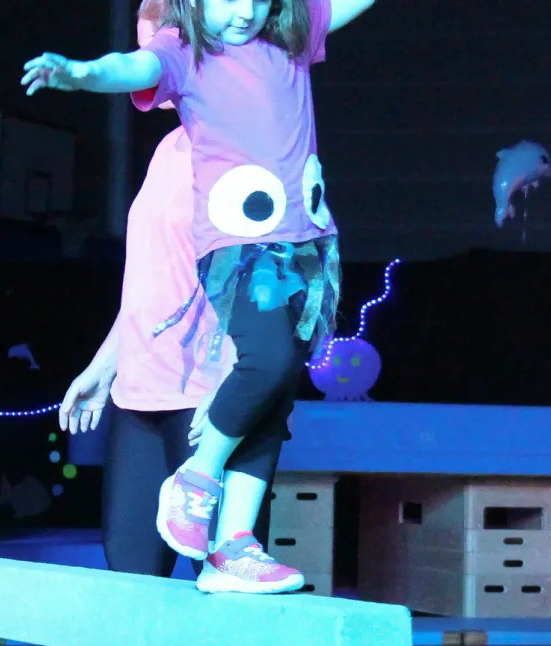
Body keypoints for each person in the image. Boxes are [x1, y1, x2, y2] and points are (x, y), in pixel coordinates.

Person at [27, 0, 375, 595]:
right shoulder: (171, 145)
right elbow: (153, 280)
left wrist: (246, 379)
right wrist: (106, 365)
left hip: (213, 393)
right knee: (133, 586)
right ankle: (198, 483)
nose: (241, 16)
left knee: (224, 581)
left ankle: (222, 517)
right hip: (144, 390)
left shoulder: (259, 110)